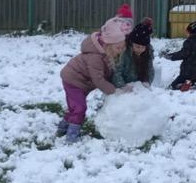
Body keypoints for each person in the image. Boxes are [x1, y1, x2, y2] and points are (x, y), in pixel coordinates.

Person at [58, 11, 139, 141]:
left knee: (74, 106)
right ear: (108, 45)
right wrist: (115, 91)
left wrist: (122, 85)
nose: (121, 51)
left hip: (82, 82)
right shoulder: (95, 57)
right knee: (80, 107)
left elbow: (111, 73)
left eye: (123, 47)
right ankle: (72, 136)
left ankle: (62, 127)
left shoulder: (109, 54)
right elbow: (98, 79)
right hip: (73, 80)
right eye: (119, 48)